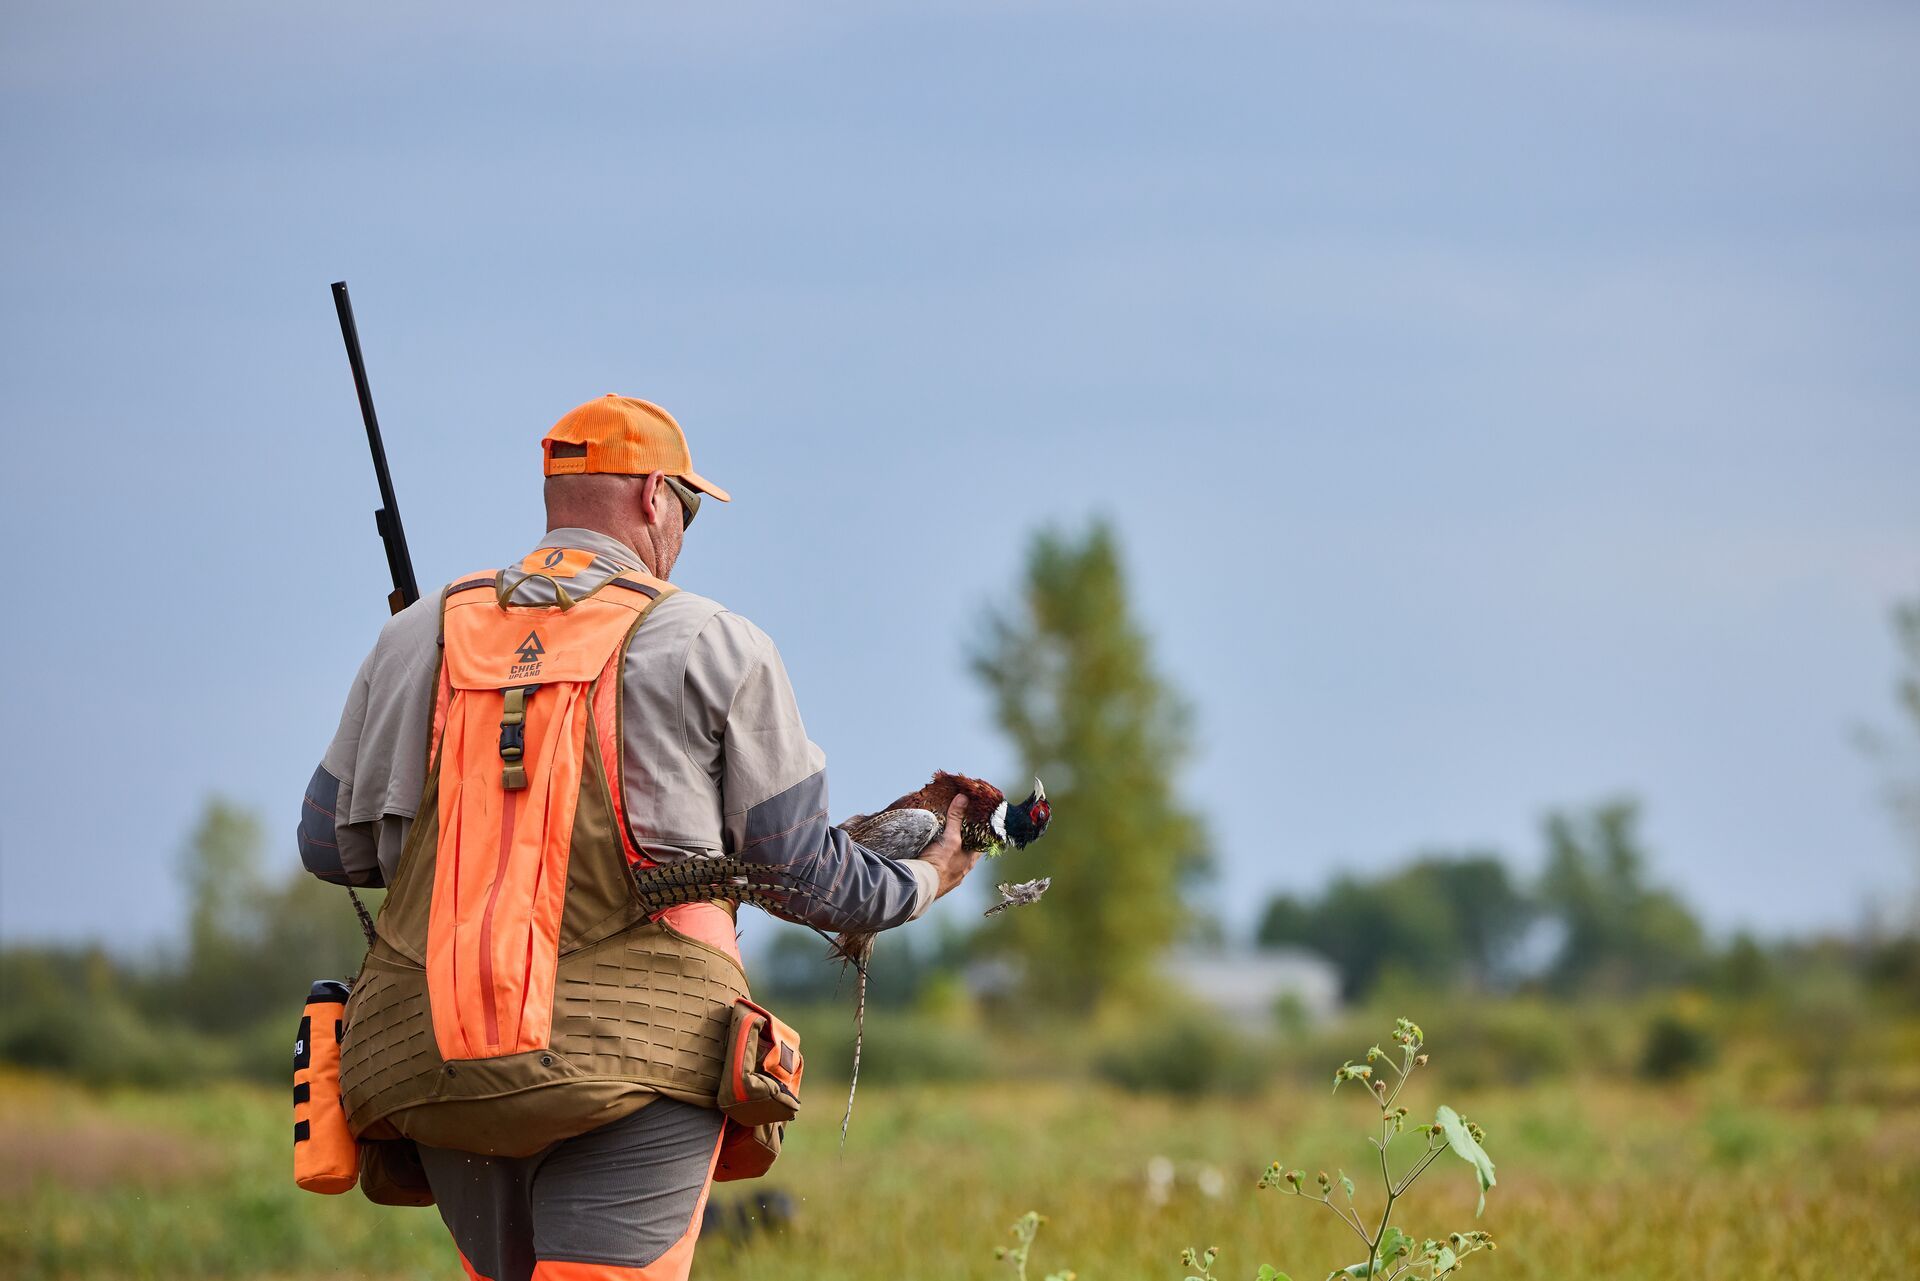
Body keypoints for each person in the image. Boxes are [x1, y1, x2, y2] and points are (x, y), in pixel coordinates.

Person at [296, 394, 982, 1281]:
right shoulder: (713, 640)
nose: (684, 532)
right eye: (687, 510)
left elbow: (330, 848)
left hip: (435, 1064)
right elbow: (802, 871)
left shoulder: (415, 633)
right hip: (636, 1062)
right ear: (656, 495)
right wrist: (929, 876)